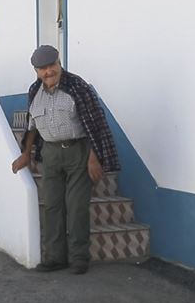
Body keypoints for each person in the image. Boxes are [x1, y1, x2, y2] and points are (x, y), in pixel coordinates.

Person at [11, 45, 119, 275]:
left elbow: (96, 125)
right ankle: (55, 258)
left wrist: (94, 157)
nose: (49, 72)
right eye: (43, 69)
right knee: (52, 206)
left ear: (59, 63)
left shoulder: (77, 86)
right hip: (50, 154)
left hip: (78, 151)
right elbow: (32, 125)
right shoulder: (34, 91)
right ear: (36, 71)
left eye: (52, 66)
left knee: (77, 206)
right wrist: (26, 154)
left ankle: (79, 258)